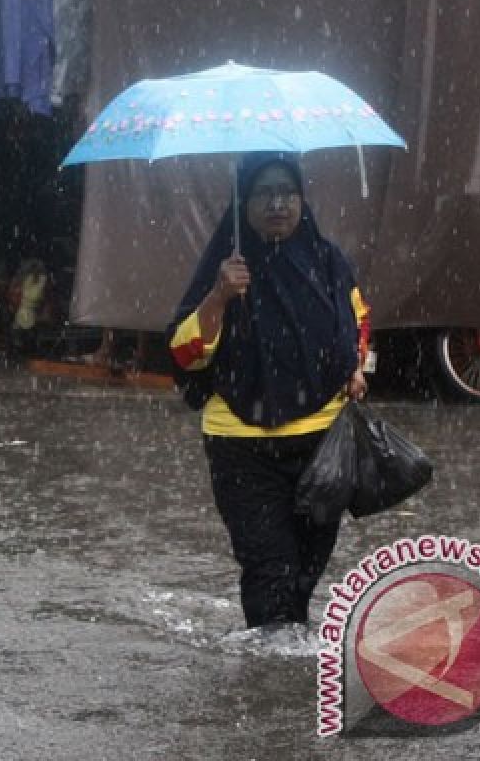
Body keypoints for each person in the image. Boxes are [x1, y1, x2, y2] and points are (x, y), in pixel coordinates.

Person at [166, 151, 370, 629]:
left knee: (305, 570)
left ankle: (286, 666)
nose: (277, 203)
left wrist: (358, 367)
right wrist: (219, 296)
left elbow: (358, 319)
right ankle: (268, 676)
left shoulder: (327, 260)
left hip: (322, 443)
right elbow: (184, 354)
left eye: (287, 192)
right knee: (269, 568)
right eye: (264, 193)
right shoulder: (225, 268)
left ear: (301, 198)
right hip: (242, 448)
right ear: (244, 203)